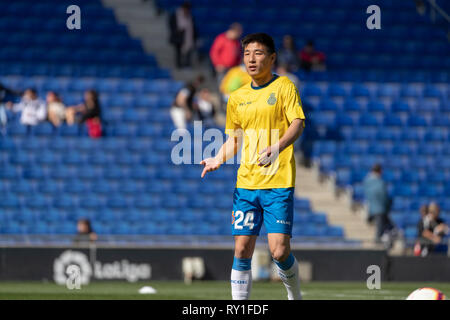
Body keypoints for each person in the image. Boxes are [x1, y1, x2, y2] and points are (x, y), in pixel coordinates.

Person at [200, 33, 306, 300]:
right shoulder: (237, 97)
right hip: (246, 183)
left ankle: (295, 297)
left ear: (272, 57)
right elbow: (234, 138)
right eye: (247, 54)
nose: (251, 59)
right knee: (242, 249)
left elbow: (297, 123)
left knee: (279, 250)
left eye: (257, 53)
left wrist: (277, 147)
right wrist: (217, 158)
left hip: (278, 181)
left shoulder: (284, 87)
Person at [363, 164, 393, 243]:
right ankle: (377, 243)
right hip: (380, 209)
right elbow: (383, 197)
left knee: (386, 226)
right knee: (381, 228)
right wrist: (388, 205)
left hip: (371, 208)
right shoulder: (380, 182)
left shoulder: (367, 181)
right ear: (380, 171)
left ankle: (382, 240)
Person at [168, 1, 196, 69]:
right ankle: (179, 65)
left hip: (188, 38)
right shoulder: (175, 15)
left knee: (188, 52)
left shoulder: (190, 16)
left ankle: (187, 65)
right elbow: (172, 25)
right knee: (178, 53)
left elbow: (193, 28)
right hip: (178, 38)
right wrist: (177, 31)